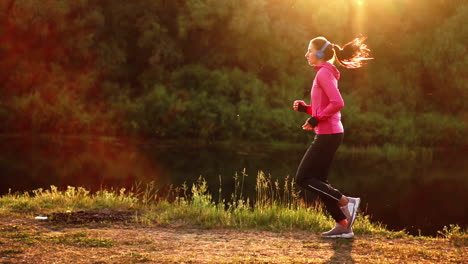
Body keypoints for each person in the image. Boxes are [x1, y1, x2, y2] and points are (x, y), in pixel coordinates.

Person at [293, 36, 372, 238]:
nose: (306, 54)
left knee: (303, 178)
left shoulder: (324, 75)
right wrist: (306, 109)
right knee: (319, 180)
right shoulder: (325, 73)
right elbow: (324, 107)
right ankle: (344, 225)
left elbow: (338, 103)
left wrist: (315, 119)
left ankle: (347, 202)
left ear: (319, 54)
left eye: (309, 50)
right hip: (330, 132)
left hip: (329, 134)